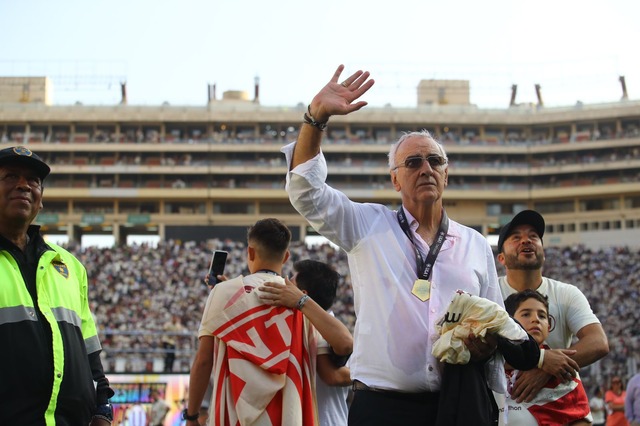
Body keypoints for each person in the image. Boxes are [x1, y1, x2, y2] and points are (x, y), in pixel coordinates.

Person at [283, 65, 505, 425]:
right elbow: (306, 194)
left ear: (446, 174)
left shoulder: (475, 244)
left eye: (435, 161)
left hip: (459, 403)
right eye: (413, 162)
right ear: (395, 180)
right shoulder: (369, 225)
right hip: (382, 407)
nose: (426, 168)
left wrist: (487, 345)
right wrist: (316, 118)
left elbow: (496, 322)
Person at [184, 218, 352, 425]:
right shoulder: (300, 299)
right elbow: (341, 348)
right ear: (286, 257)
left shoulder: (223, 293)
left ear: (251, 253)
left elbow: (203, 361)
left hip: (234, 413)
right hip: (286, 415)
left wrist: (191, 416)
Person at [0, 146, 114, 425]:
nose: (23, 185)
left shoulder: (70, 266)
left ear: (40, 201)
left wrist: (102, 407)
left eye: (33, 181)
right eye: (10, 176)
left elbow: (88, 344)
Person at [497, 209, 609, 404]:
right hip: (503, 406)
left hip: (558, 405)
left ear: (543, 252)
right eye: (516, 237)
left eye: (533, 236)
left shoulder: (566, 293)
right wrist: (541, 360)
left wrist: (545, 370)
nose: (526, 240)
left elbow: (598, 342)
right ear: (501, 258)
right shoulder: (490, 292)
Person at [260, 259, 353, 426]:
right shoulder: (297, 322)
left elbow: (336, 366)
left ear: (302, 293)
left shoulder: (323, 325)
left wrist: (301, 302)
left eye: (291, 283)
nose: (285, 285)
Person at [503, 289, 590, 425]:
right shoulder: (491, 360)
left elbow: (581, 420)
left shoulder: (561, 369)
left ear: (548, 327)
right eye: (526, 314)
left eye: (542, 316)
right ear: (508, 322)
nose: (535, 319)